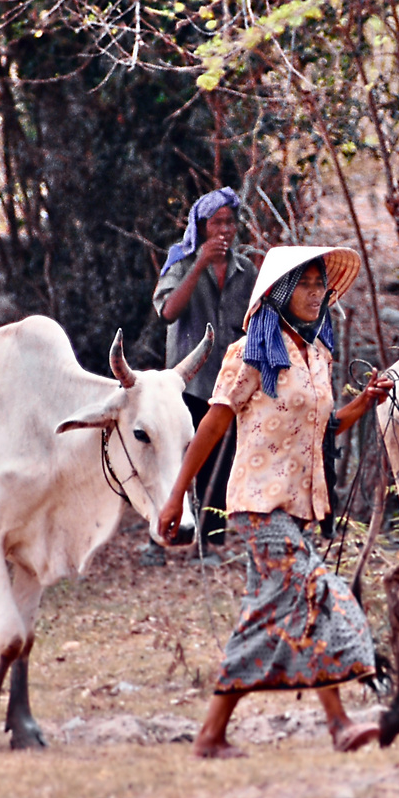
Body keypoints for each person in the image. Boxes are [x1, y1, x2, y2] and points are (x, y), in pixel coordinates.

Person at [156, 245, 394, 759]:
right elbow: (214, 423)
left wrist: (365, 402)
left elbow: (326, 427)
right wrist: (178, 495)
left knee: (274, 613)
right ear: (281, 293)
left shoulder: (319, 356)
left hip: (297, 508)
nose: (316, 294)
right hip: (258, 507)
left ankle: (215, 734)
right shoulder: (248, 353)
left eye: (320, 285)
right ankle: (337, 724)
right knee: (317, 593)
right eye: (305, 284)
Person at [152, 187, 258, 547]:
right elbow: (168, 312)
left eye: (230, 222)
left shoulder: (246, 271)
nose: (225, 230)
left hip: (228, 385)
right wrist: (198, 265)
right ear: (202, 227)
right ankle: (162, 536)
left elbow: (254, 319)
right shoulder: (180, 264)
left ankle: (212, 541)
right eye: (217, 223)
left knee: (221, 461)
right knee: (177, 461)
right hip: (188, 385)